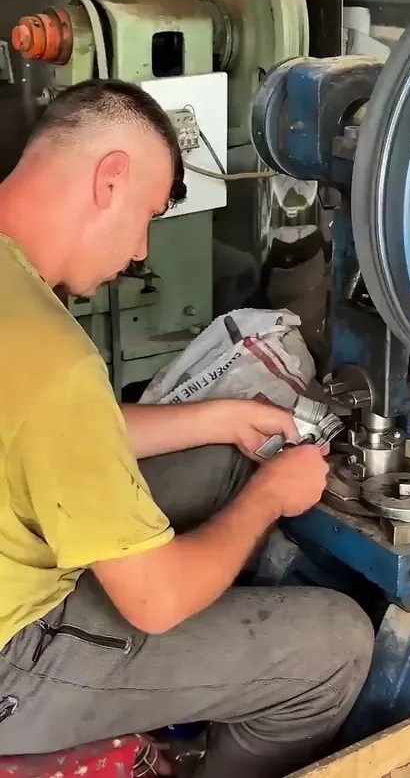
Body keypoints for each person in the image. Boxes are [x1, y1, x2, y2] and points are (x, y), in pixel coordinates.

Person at [0, 79, 373, 778]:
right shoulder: (51, 355)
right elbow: (157, 600)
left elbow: (40, 430)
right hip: (14, 655)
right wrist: (269, 498)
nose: (140, 250)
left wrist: (222, 416)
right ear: (109, 178)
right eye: (145, 215)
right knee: (336, 644)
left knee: (215, 459)